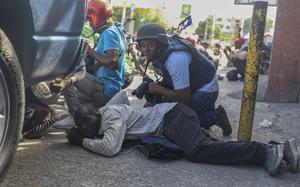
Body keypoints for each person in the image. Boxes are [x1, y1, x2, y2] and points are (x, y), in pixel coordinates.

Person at [66, 91, 299, 176]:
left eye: (87, 121)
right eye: (81, 125)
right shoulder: (107, 111)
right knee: (212, 148)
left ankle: (265, 151)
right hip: (173, 120)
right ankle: (282, 148)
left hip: (173, 117)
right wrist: (79, 128)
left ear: (97, 113)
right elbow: (121, 95)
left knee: (198, 150)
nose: (85, 126)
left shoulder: (111, 116)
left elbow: (110, 148)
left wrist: (83, 141)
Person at [135, 23, 232, 135]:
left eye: (150, 45)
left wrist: (158, 89)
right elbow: (169, 76)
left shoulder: (175, 58)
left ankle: (214, 116)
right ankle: (204, 112)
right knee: (164, 106)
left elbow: (183, 97)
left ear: (160, 43)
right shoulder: (160, 53)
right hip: (194, 84)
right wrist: (157, 86)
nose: (146, 50)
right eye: (143, 45)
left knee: (172, 119)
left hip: (206, 89)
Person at [51, 0, 127, 115]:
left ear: (98, 16)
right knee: (76, 94)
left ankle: (76, 117)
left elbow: (113, 62)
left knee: (68, 73)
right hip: (112, 89)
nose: (90, 24)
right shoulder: (115, 31)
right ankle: (82, 116)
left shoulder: (109, 33)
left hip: (106, 90)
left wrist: (90, 51)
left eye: (90, 19)